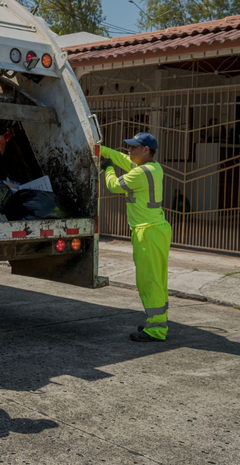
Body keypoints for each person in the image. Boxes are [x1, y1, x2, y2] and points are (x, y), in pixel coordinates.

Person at [98, 132, 172, 342]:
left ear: (145, 150)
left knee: (149, 281)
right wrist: (100, 149)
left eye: (133, 148)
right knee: (156, 279)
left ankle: (156, 329)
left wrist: (107, 168)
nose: (128, 151)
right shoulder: (151, 168)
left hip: (148, 232)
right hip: (155, 230)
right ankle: (156, 321)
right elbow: (122, 158)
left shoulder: (141, 173)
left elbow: (113, 185)